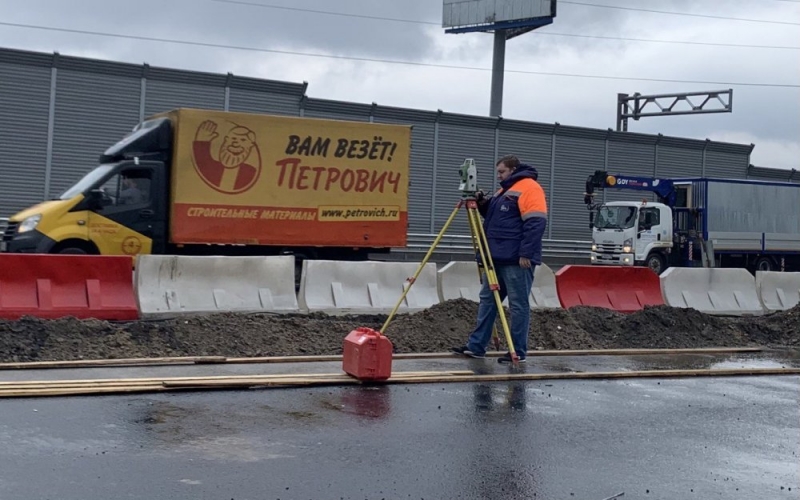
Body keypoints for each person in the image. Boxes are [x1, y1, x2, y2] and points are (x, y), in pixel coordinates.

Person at [452, 155, 548, 364]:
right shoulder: (504, 190)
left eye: (502, 172)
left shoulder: (529, 188)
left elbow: (536, 223)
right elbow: (495, 217)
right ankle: (476, 346)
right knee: (488, 301)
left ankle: (517, 351)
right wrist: (482, 202)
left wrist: (526, 253)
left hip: (516, 260)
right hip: (495, 258)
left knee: (518, 305)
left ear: (513, 169)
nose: (498, 176)